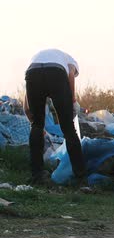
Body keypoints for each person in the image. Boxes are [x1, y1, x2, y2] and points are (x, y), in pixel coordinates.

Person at [24, 49, 86, 185]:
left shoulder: (37, 59)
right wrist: (73, 100)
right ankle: (80, 177)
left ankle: (37, 175)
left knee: (37, 126)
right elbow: (70, 73)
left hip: (32, 73)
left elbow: (27, 106)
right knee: (68, 127)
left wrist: (34, 122)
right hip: (56, 73)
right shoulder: (71, 60)